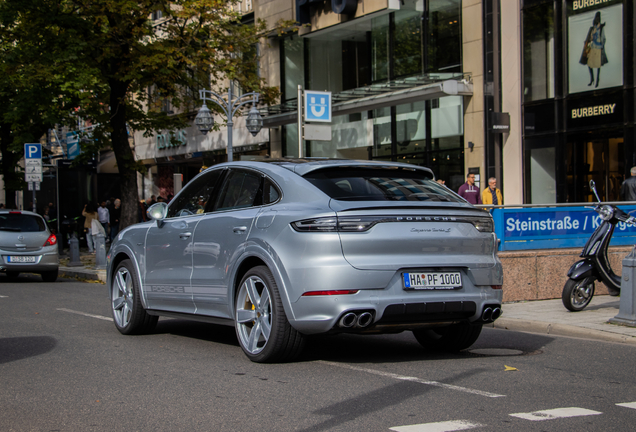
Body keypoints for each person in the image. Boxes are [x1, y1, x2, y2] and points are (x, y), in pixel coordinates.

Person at [579, 11, 607, 88]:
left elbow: (603, 38)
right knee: (589, 64)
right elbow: (588, 38)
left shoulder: (601, 29)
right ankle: (592, 79)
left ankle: (597, 81)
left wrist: (601, 46)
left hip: (598, 48)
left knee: (598, 65)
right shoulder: (591, 29)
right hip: (591, 48)